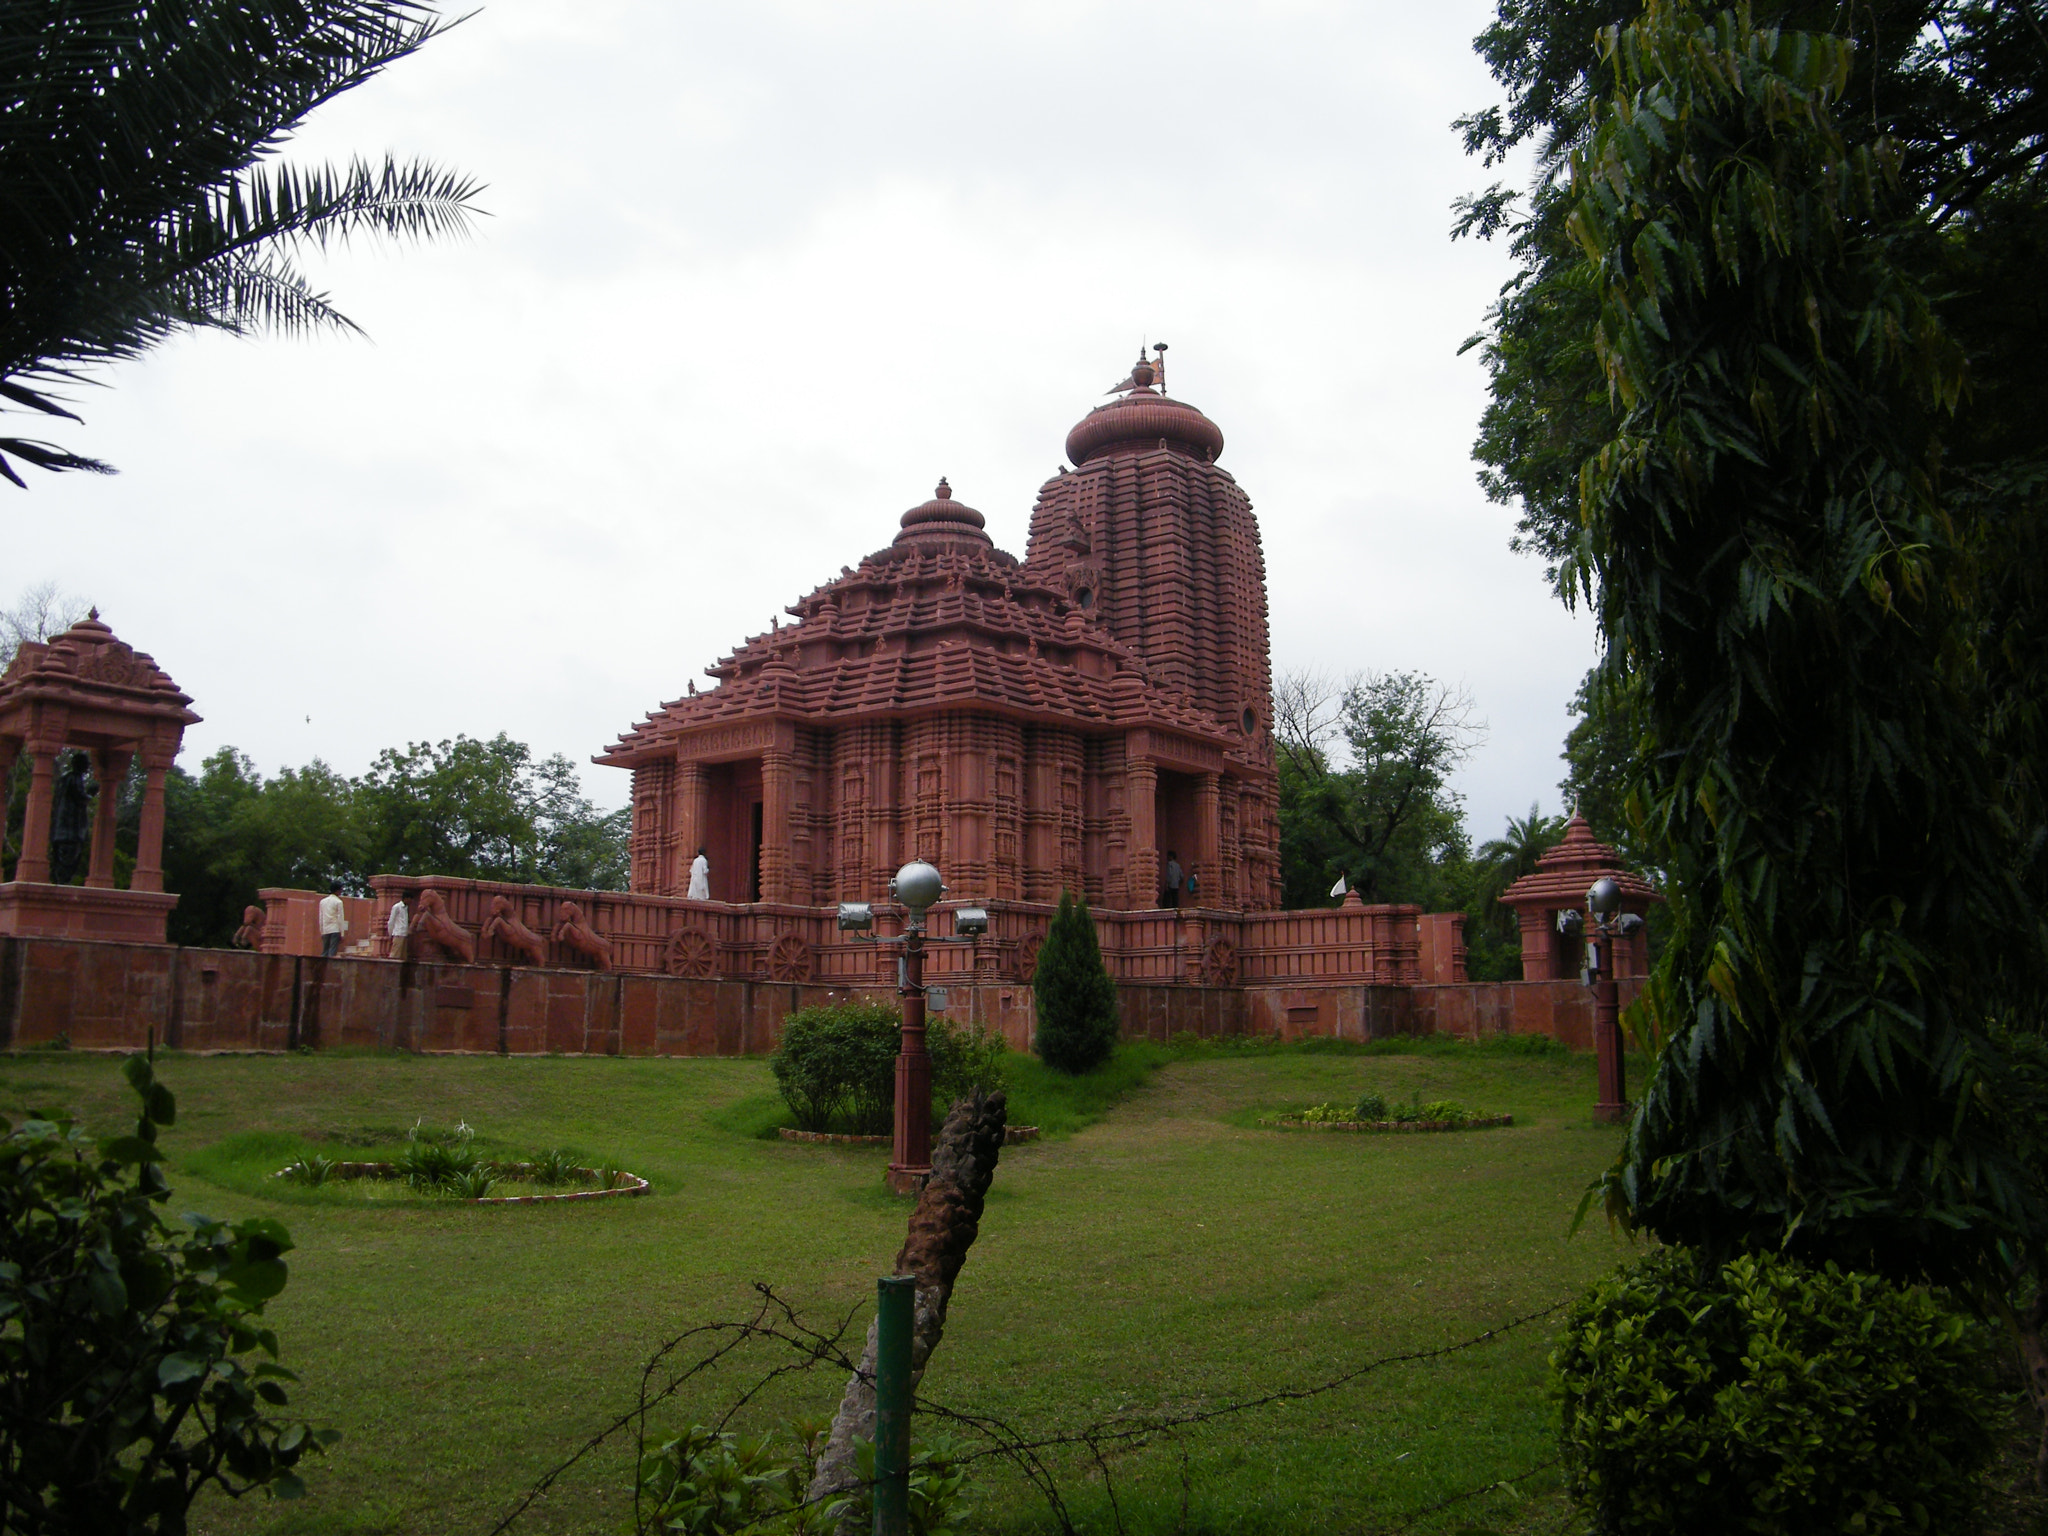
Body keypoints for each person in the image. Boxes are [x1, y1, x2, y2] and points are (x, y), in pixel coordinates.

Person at [48, 751, 96, 885]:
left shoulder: (64, 779)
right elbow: (80, 798)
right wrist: (91, 794)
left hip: (61, 829)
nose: (87, 768)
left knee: (62, 859)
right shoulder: (74, 778)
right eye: (86, 765)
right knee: (68, 860)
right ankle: (62, 883)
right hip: (70, 830)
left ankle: (60, 881)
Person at [318, 884, 346, 958]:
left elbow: (321, 917)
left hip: (325, 929)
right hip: (335, 929)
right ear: (337, 891)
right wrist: (342, 933)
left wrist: (321, 931)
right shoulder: (338, 902)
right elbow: (340, 918)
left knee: (324, 952)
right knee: (332, 952)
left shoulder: (322, 902)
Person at [387, 893, 410, 961]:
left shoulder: (406, 908)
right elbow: (391, 921)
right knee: (395, 955)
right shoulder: (397, 907)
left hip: (404, 934)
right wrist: (390, 933)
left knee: (403, 957)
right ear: (406, 898)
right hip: (398, 933)